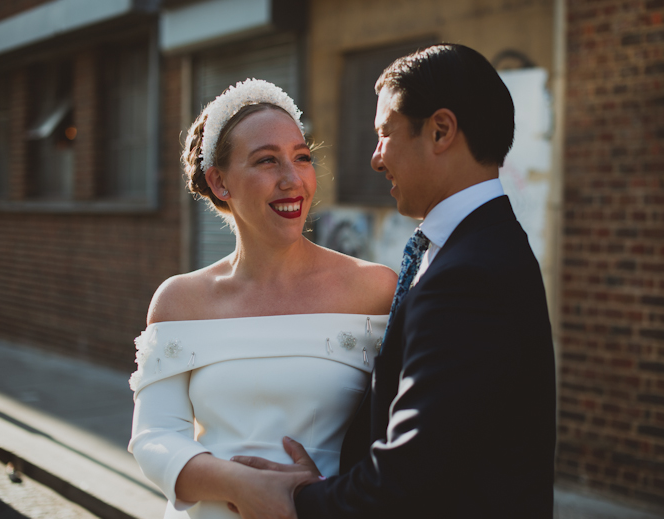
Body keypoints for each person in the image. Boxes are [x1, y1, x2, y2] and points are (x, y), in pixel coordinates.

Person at [232, 44, 557, 518]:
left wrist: (296, 500)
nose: (375, 158)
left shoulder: (471, 276)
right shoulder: (477, 246)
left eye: (385, 133)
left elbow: (408, 473)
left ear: (440, 130)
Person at [127, 78, 398, 519]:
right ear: (219, 183)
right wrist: (242, 485)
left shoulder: (373, 290)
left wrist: (323, 496)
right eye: (266, 161)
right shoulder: (180, 300)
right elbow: (154, 437)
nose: (292, 180)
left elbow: (403, 441)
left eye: (302, 157)